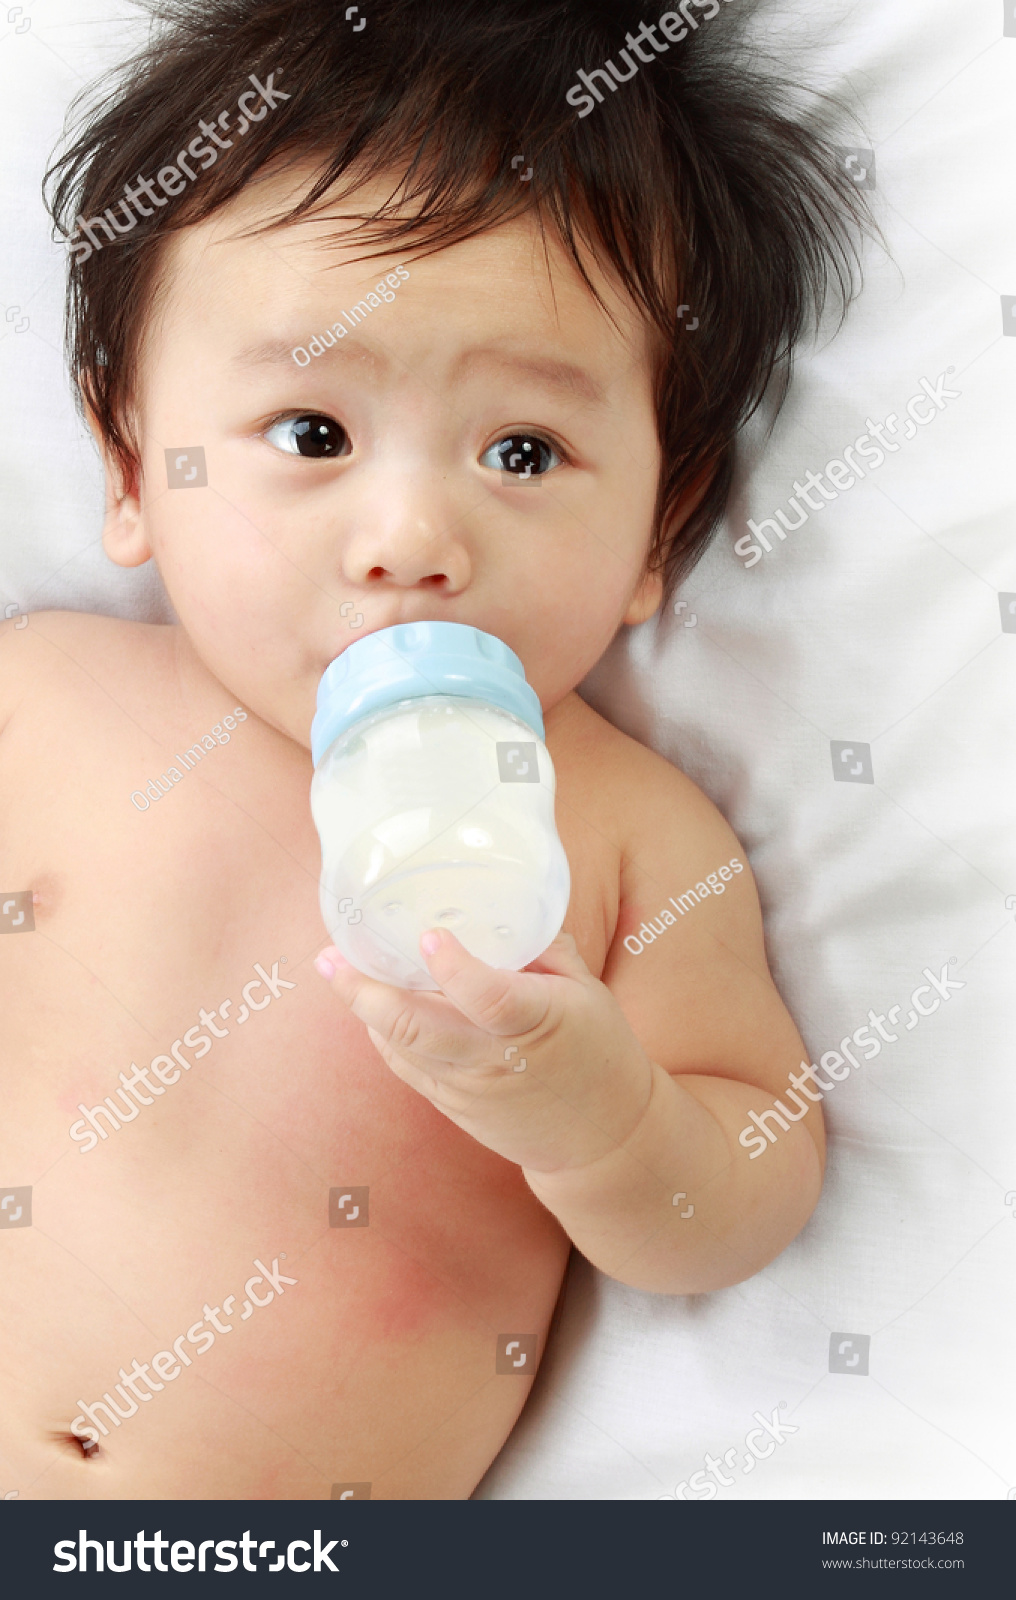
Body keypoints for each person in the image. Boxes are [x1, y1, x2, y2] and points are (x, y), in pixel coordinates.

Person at [0, 0, 872, 1500]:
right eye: (314, 434)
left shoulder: (623, 835)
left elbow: (746, 1192)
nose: (410, 543)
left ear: (660, 530)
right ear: (134, 467)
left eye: (523, 454)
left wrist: (596, 1115)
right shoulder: (45, 698)